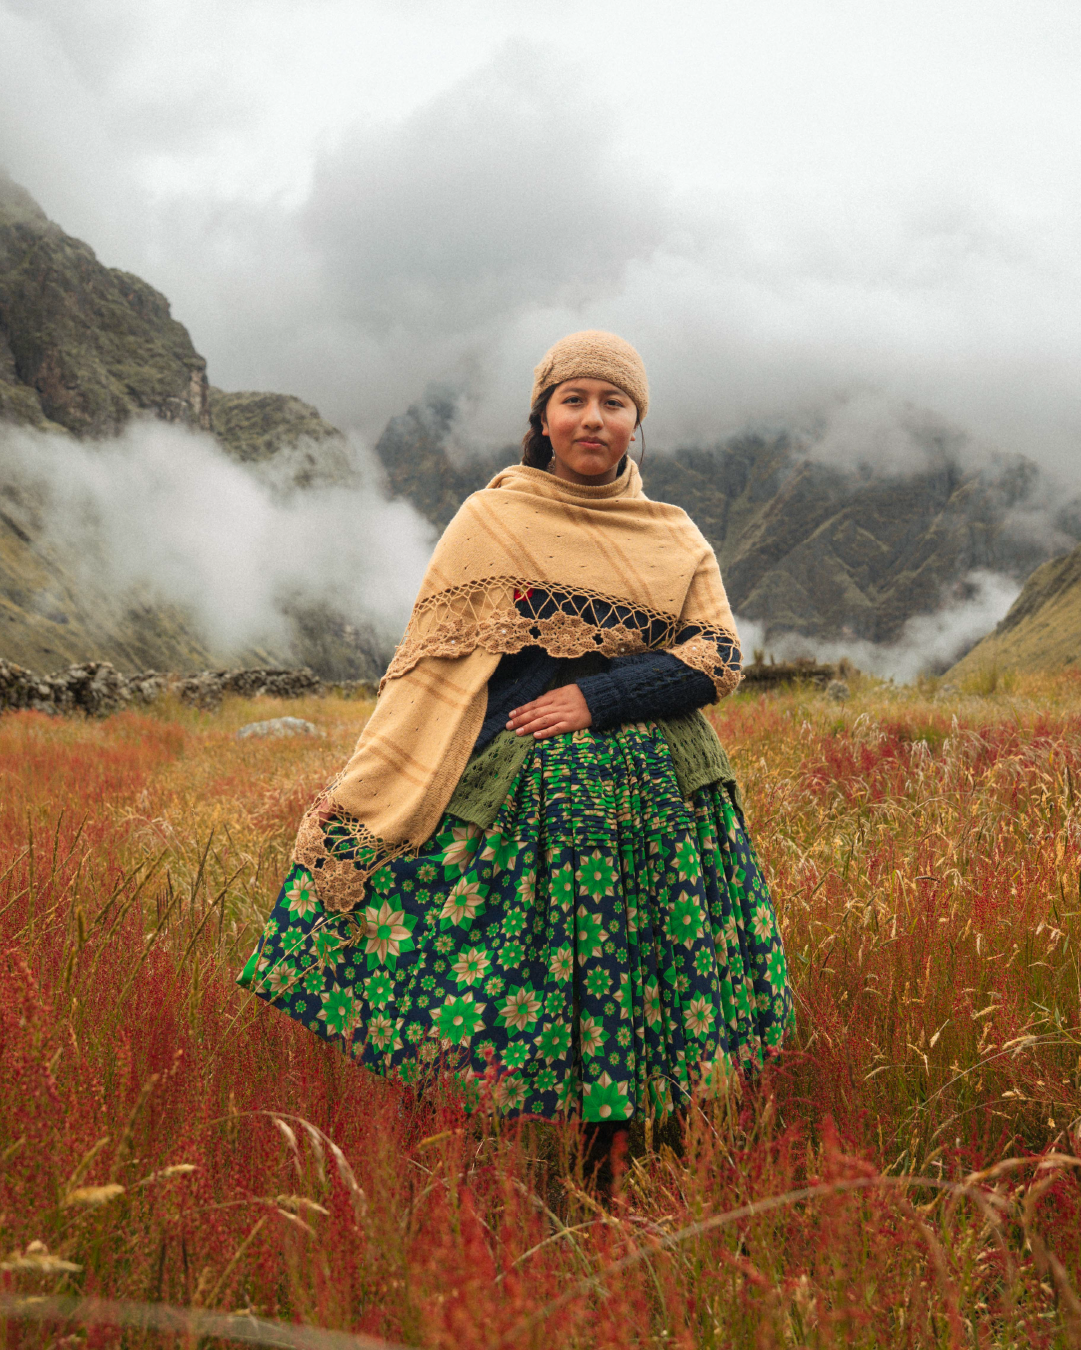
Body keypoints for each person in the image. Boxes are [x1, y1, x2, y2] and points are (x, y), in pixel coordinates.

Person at [238, 330, 794, 1179]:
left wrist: (596, 697)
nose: (593, 419)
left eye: (613, 403)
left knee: (662, 978)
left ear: (635, 421)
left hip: (667, 802)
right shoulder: (491, 520)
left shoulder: (675, 536)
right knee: (503, 974)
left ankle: (637, 1163)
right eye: (573, 400)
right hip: (527, 797)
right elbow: (440, 668)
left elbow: (716, 658)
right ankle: (493, 1162)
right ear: (542, 416)